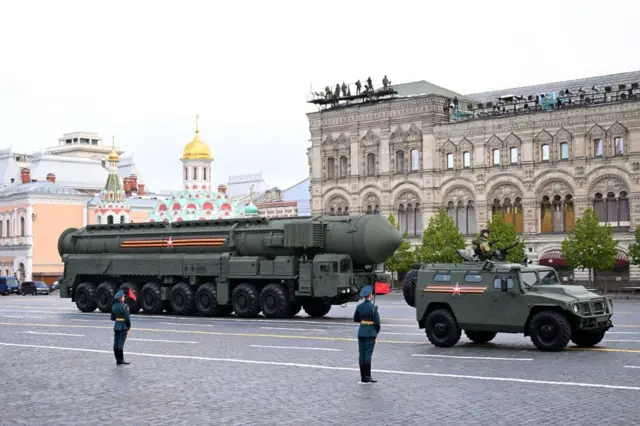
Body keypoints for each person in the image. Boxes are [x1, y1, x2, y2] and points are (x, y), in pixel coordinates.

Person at [353, 285, 380, 384]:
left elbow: (356, 319)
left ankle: (362, 376)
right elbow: (377, 323)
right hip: (370, 333)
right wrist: (375, 331)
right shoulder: (373, 308)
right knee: (368, 355)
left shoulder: (359, 307)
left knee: (362, 354)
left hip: (361, 332)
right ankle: (367, 376)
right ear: (371, 295)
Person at [111, 290, 131, 365]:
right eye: (123, 297)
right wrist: (129, 326)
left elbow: (112, 318)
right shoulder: (125, 306)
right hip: (123, 327)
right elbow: (127, 318)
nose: (124, 298)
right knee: (120, 344)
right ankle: (121, 360)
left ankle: (117, 359)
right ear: (121, 298)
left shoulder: (114, 306)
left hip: (116, 326)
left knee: (115, 343)